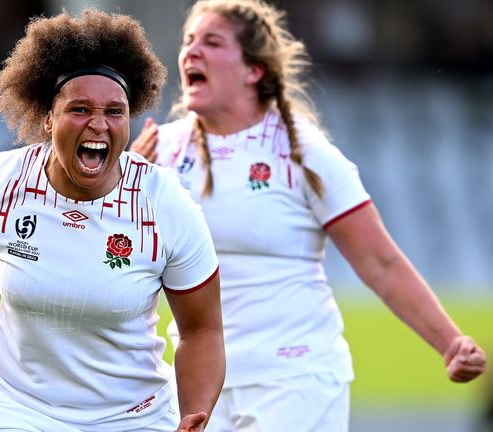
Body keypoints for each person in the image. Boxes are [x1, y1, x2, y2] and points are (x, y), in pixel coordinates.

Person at [0, 9, 225, 432]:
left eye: (114, 111)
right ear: (48, 118)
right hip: (11, 406)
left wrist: (193, 414)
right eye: (80, 108)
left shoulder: (166, 205)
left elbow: (201, 330)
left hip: (132, 416)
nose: (98, 124)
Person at [129, 0, 487, 430]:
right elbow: (118, 259)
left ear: (253, 71)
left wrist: (450, 342)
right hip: (199, 386)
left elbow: (380, 262)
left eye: (212, 41)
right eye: (189, 41)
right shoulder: (157, 153)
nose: (191, 52)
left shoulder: (304, 154)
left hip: (295, 380)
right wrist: (124, 191)